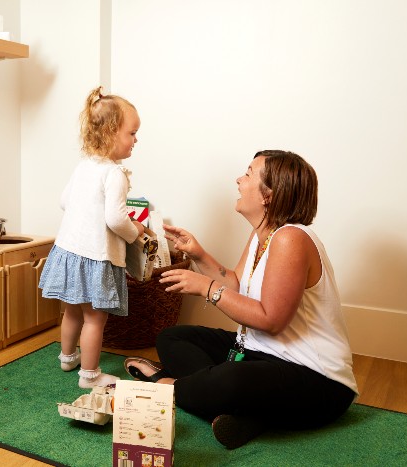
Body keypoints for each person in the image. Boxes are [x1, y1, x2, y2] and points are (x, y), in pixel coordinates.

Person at [124, 150, 358, 449]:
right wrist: (199, 254)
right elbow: (236, 284)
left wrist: (207, 287)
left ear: (268, 195)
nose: (238, 179)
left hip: (317, 381)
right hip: (261, 354)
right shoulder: (263, 233)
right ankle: (243, 412)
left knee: (230, 380)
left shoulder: (291, 239)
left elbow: (270, 320)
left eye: (248, 173)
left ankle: (167, 386)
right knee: (173, 338)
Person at [39, 86, 144, 389]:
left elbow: (64, 201)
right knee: (95, 318)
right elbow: (115, 219)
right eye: (132, 133)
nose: (136, 140)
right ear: (112, 134)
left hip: (69, 250)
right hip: (96, 256)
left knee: (72, 309)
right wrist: (136, 232)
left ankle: (67, 356)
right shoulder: (115, 174)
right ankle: (90, 375)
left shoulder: (84, 166)